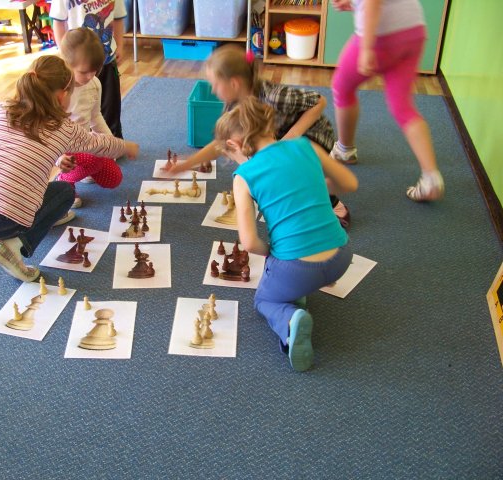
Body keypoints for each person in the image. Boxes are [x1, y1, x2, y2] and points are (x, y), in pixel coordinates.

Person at [0, 55, 139, 283]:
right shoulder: (62, 128)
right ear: (61, 96)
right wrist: (126, 146)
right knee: (65, 192)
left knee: (38, 191)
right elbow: (99, 144)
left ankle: (37, 217)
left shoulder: (1, 109)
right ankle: (11, 247)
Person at [214, 97, 358, 371]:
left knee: (264, 299)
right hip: (341, 257)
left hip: (295, 268)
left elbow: (249, 242)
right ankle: (302, 287)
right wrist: (313, 185)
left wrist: (272, 254)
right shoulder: (306, 145)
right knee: (300, 271)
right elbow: (350, 183)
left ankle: (290, 321)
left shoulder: (244, 176)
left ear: (234, 145)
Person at [169, 44, 352, 228]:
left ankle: (335, 205)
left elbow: (320, 101)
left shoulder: (275, 96)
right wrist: (186, 164)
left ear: (234, 83)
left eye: (215, 84)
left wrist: (291, 136)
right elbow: (222, 143)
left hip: (313, 137)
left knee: (292, 172)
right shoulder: (234, 104)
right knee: (242, 152)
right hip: (273, 139)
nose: (212, 91)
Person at [330, 0, 444, 201]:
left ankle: (345, 150)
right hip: (414, 31)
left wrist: (367, 47)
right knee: (402, 106)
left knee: (341, 87)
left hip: (382, 36)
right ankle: (431, 177)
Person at [56, 27, 126, 208]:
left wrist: (111, 142)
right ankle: (63, 181)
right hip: (64, 150)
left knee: (114, 178)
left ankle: (86, 168)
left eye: (95, 70)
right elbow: (47, 132)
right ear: (67, 64)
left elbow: (96, 116)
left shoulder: (94, 84)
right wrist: (59, 158)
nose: (91, 76)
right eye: (84, 72)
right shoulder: (58, 91)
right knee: (93, 159)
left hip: (85, 144)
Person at [50, 0, 126, 139]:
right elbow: (58, 23)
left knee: (111, 107)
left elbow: (118, 18)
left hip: (107, 61)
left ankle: (114, 142)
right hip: (77, 64)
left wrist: (119, 44)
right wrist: (65, 55)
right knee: (78, 109)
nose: (91, 76)